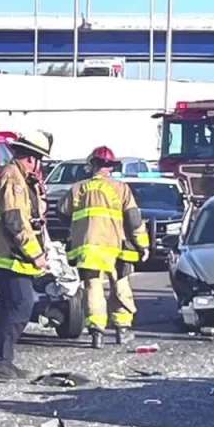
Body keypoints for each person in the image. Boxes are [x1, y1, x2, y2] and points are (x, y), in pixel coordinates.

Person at [0, 130, 52, 380]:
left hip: (14, 255)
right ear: (32, 158)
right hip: (10, 255)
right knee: (21, 305)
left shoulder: (22, 178)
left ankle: (0, 359)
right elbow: (14, 220)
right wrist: (35, 254)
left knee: (12, 307)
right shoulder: (13, 177)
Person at [63, 146, 150, 349]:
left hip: (88, 247)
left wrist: (77, 230)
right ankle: (122, 330)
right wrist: (142, 244)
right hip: (117, 248)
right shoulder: (121, 189)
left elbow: (62, 212)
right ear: (110, 167)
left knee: (93, 287)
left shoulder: (77, 189)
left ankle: (97, 333)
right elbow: (134, 219)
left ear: (91, 165)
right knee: (120, 285)